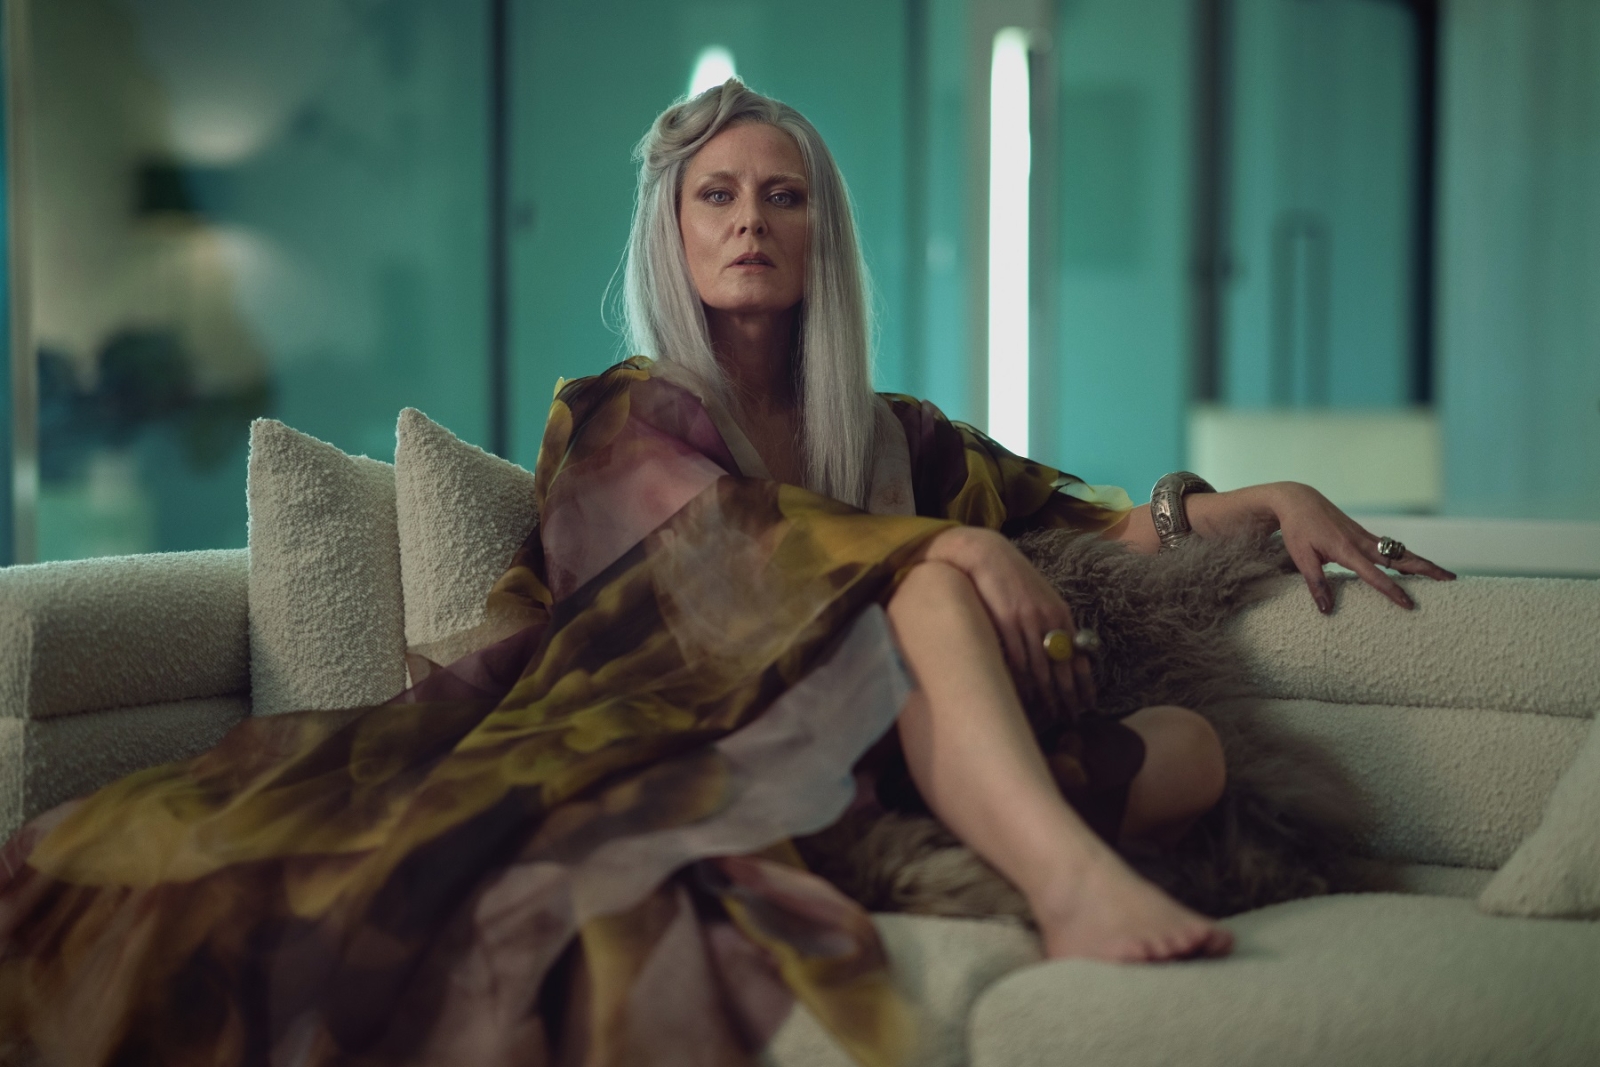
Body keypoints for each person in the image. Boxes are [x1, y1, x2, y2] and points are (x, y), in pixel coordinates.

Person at [0, 80, 1454, 1067]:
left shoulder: (894, 436)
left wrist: (1250, 498)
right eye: (716, 196)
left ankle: (961, 813)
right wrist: (942, 548)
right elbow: (701, 559)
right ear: (675, 230)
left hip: (876, 752)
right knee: (921, 587)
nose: (750, 219)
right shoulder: (620, 410)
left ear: (823, 234)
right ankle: (1069, 884)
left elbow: (1082, 524)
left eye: (782, 196)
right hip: (669, 741)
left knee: (1196, 745)